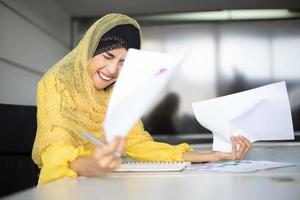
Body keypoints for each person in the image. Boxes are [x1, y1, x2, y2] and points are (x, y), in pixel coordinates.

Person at [32, 13, 252, 185]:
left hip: (105, 182)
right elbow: (54, 146)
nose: (112, 70)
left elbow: (138, 144)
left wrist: (211, 156)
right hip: (64, 185)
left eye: (123, 63)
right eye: (108, 56)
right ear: (89, 51)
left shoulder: (117, 91)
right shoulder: (57, 81)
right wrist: (91, 165)